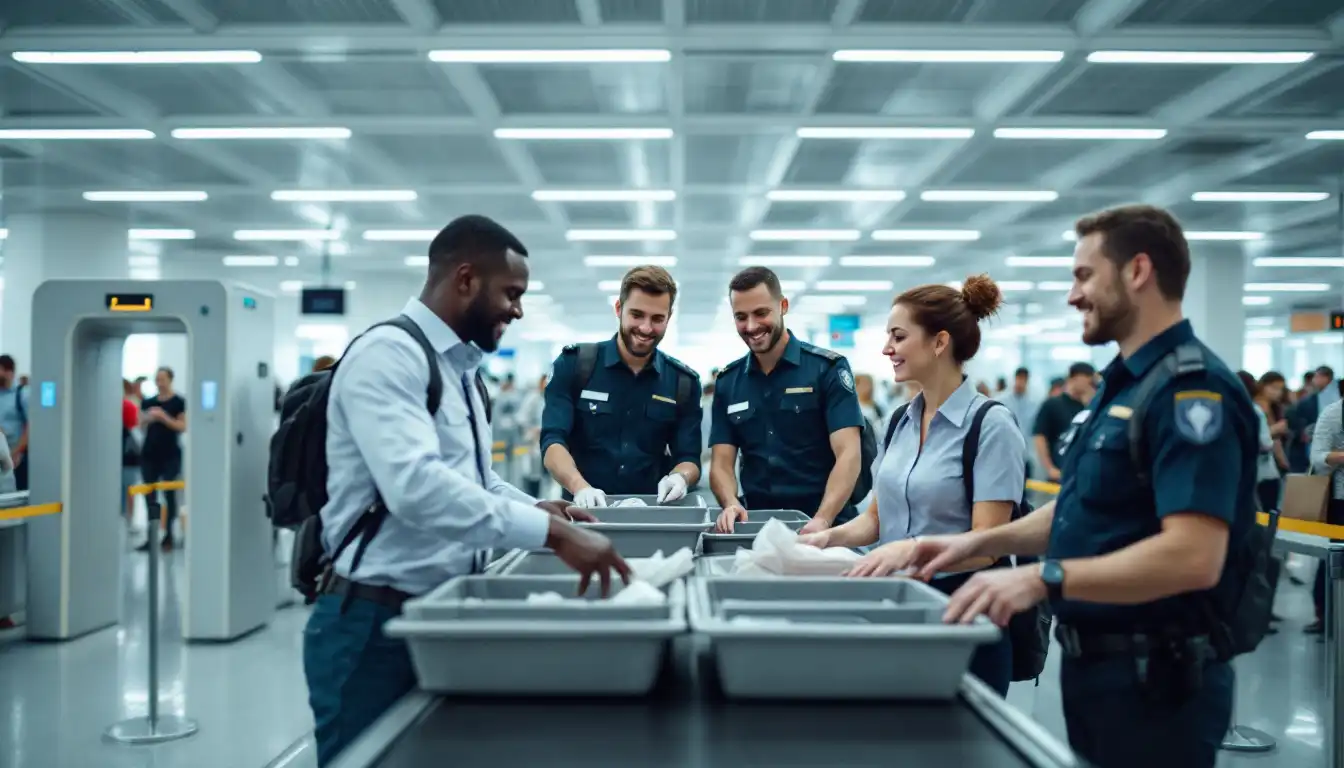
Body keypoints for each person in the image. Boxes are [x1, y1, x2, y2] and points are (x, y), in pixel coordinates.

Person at [895, 204, 1256, 768]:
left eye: (1084, 275)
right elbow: (1075, 508)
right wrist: (971, 545)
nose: (1072, 295)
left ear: (1137, 271)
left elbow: (1194, 555)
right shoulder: (1122, 387)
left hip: (1160, 681)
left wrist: (1046, 579)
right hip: (1100, 671)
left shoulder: (1193, 390)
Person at [302, 214, 630, 767]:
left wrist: (541, 508)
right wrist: (550, 534)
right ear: (465, 279)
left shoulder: (460, 369)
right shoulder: (390, 356)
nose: (518, 310)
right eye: (511, 294)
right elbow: (415, 488)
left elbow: (478, 481)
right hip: (370, 625)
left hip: (438, 614)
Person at [799, 274, 1024, 695]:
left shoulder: (991, 426)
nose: (887, 348)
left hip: (962, 615)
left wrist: (916, 552)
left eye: (898, 337)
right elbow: (875, 519)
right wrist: (823, 538)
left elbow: (988, 546)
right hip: (894, 607)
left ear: (940, 343)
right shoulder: (899, 421)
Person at [710, 267, 865, 536]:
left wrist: (823, 519)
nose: (751, 326)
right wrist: (731, 503)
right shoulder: (728, 382)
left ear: (783, 306)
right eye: (740, 317)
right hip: (758, 526)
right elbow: (721, 463)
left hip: (826, 525)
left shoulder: (827, 369)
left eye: (761, 313)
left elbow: (849, 454)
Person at [541, 266, 703, 507]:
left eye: (657, 318)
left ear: (669, 317)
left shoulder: (683, 382)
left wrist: (680, 477)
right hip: (582, 513)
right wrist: (579, 486)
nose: (646, 328)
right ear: (619, 309)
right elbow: (553, 441)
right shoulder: (575, 366)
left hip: (651, 517)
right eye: (637, 315)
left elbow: (688, 458)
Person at [1307, 377, 1344, 635]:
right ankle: (1325, 615)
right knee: (1333, 558)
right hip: (1340, 499)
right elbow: (1317, 458)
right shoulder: (1333, 415)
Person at [138, 367, 187, 552]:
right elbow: (140, 424)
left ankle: (169, 535)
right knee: (149, 495)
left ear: (170, 380)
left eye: (163, 379)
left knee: (169, 494)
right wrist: (147, 419)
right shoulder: (148, 402)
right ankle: (150, 535)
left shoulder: (178, 402)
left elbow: (182, 426)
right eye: (157, 379)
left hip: (170, 454)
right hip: (150, 453)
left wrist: (163, 417)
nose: (160, 383)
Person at [1031, 361, 1096, 482]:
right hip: (1059, 473)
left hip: (1082, 474)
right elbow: (1039, 437)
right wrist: (1049, 468)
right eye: (1086, 380)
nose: (1089, 385)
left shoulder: (1090, 406)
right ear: (1073, 379)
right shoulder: (1052, 404)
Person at [1287, 365, 1335, 473]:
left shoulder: (1336, 399)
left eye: (1321, 377)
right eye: (1316, 377)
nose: (1317, 380)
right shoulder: (1306, 401)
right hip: (1311, 443)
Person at [0, 356, 28, 492]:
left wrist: (17, 451)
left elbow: (30, 426)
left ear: (9, 372)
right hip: (2, 457)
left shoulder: (22, 394)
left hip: (18, 458)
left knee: (19, 497)